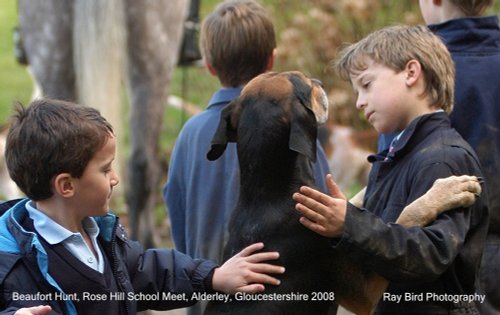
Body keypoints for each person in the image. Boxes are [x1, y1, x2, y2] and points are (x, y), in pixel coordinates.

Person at [0, 98, 285, 315]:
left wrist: (213, 276)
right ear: (66, 186)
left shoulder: (100, 236)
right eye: (105, 169)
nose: (115, 178)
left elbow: (149, 272)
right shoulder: (14, 263)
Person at [293, 25, 489, 314]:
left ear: (411, 73)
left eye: (367, 85)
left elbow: (430, 255)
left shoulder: (442, 159)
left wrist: (350, 224)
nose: (359, 102)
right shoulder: (396, 158)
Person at [163, 2, 330, 314]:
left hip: (208, 297)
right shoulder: (293, 128)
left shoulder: (190, 136)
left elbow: (178, 218)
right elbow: (322, 214)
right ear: (271, 59)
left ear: (209, 66)